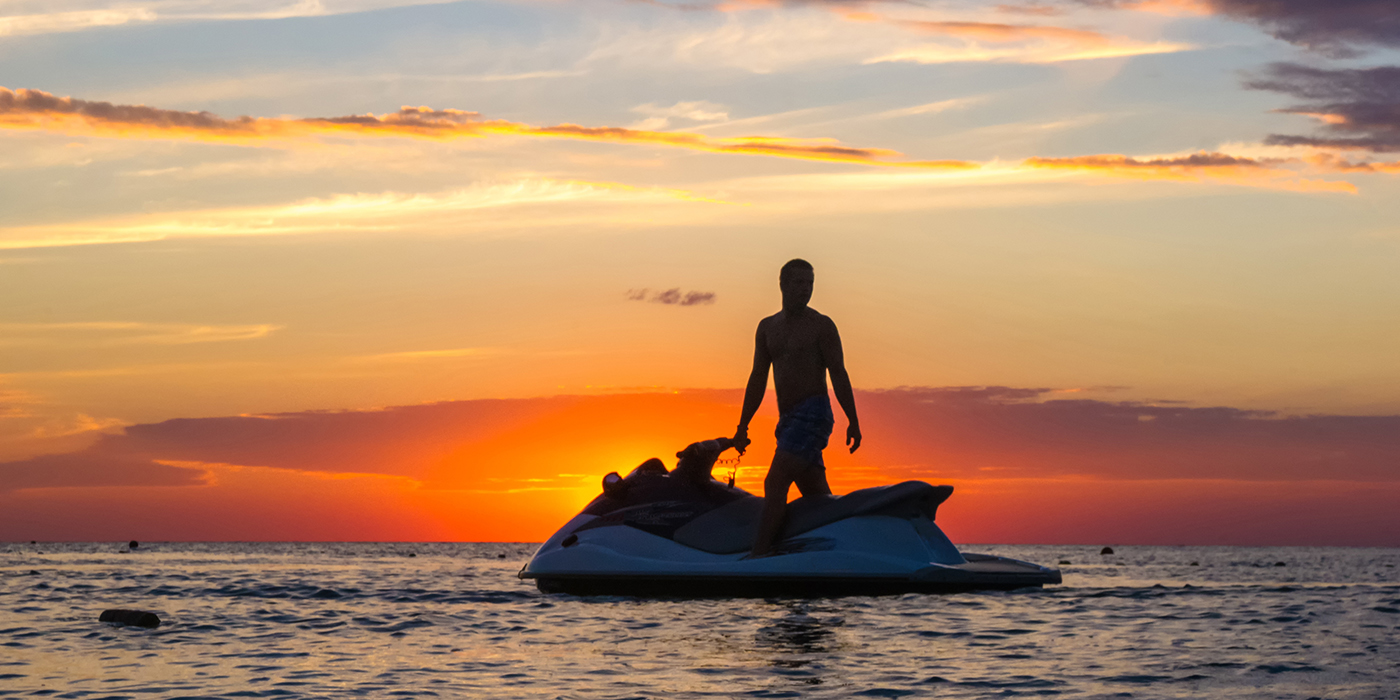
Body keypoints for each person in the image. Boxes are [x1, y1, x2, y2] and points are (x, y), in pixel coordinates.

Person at [732, 259, 861, 558]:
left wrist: (853, 420)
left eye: (810, 283)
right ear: (782, 285)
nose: (805, 289)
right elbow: (757, 378)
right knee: (816, 495)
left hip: (813, 414)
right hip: (788, 420)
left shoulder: (821, 326)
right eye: (799, 283)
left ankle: (758, 556)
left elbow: (838, 373)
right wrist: (742, 425)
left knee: (775, 481)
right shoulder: (767, 328)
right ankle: (841, 549)